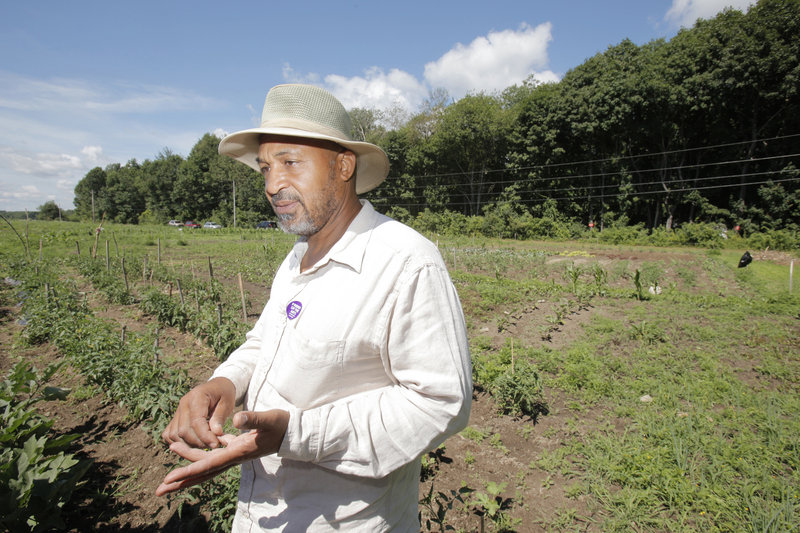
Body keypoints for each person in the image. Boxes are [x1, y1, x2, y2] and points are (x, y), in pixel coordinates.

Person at [156, 83, 472, 532]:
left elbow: (441, 403)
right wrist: (224, 383)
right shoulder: (296, 259)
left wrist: (295, 434)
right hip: (261, 515)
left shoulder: (405, 261)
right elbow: (265, 341)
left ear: (343, 166)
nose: (272, 184)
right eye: (265, 168)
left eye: (290, 162)